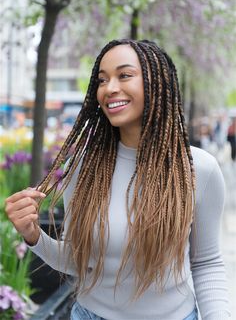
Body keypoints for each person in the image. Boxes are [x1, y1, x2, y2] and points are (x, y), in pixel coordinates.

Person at [5, 39, 230, 320]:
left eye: (124, 75)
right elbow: (79, 260)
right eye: (102, 79)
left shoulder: (199, 169)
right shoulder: (86, 169)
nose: (109, 88)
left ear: (156, 83)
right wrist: (34, 236)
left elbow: (207, 263)